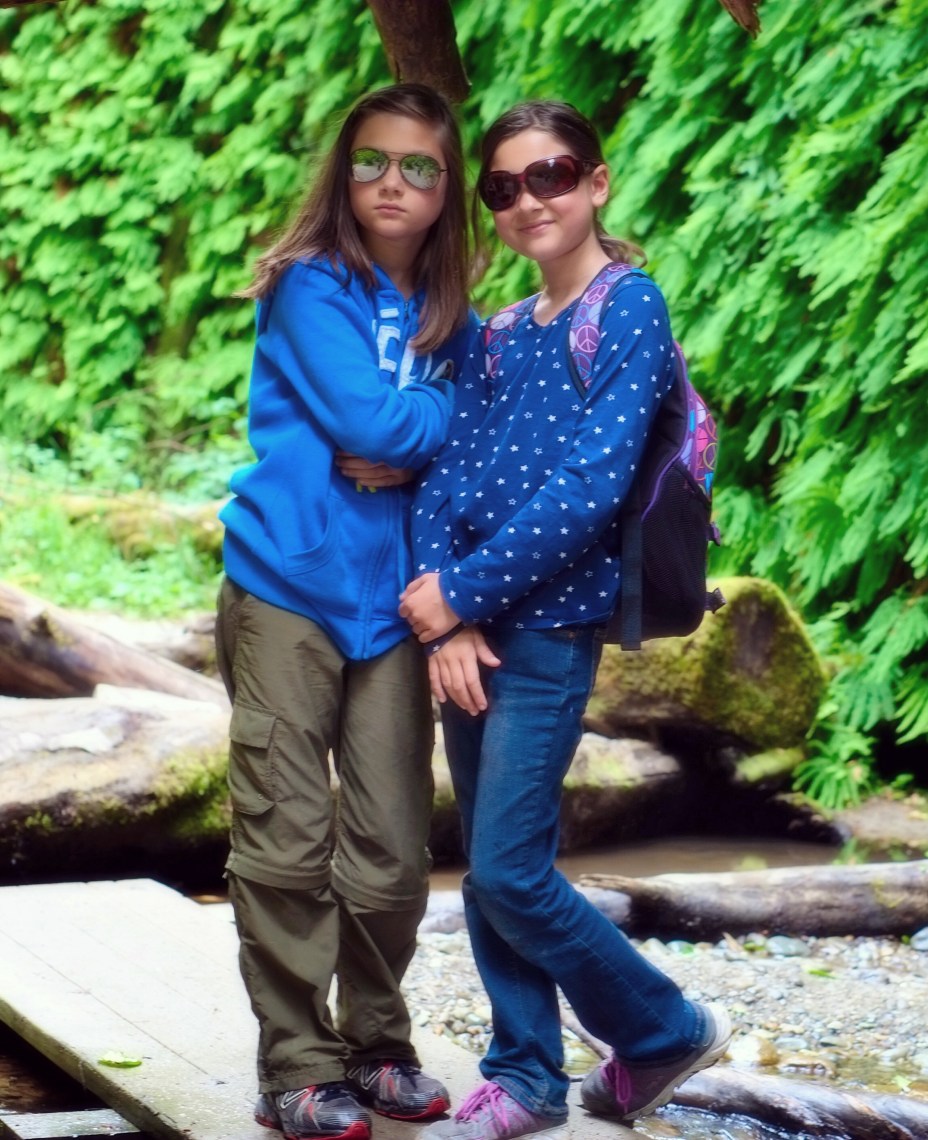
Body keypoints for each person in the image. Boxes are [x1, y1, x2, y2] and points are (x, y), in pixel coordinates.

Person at [398, 100, 732, 1140]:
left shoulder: (628, 307)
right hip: (473, 629)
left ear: (595, 182)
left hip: (548, 628)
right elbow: (443, 473)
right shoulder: (499, 332)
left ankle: (665, 1027)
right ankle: (527, 1075)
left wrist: (463, 594)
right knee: (494, 866)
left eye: (549, 175)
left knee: (506, 867)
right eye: (504, 187)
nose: (528, 200)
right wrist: (446, 615)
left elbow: (592, 486)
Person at [215, 83, 476, 1140]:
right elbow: (371, 422)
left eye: (418, 166)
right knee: (286, 837)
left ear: (447, 187)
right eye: (372, 160)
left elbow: (456, 431)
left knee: (392, 852)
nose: (392, 183)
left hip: (398, 605)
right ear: (344, 170)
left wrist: (427, 426)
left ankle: (376, 1043)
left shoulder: (453, 307)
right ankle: (295, 1065)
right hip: (289, 585)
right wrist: (428, 422)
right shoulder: (309, 283)